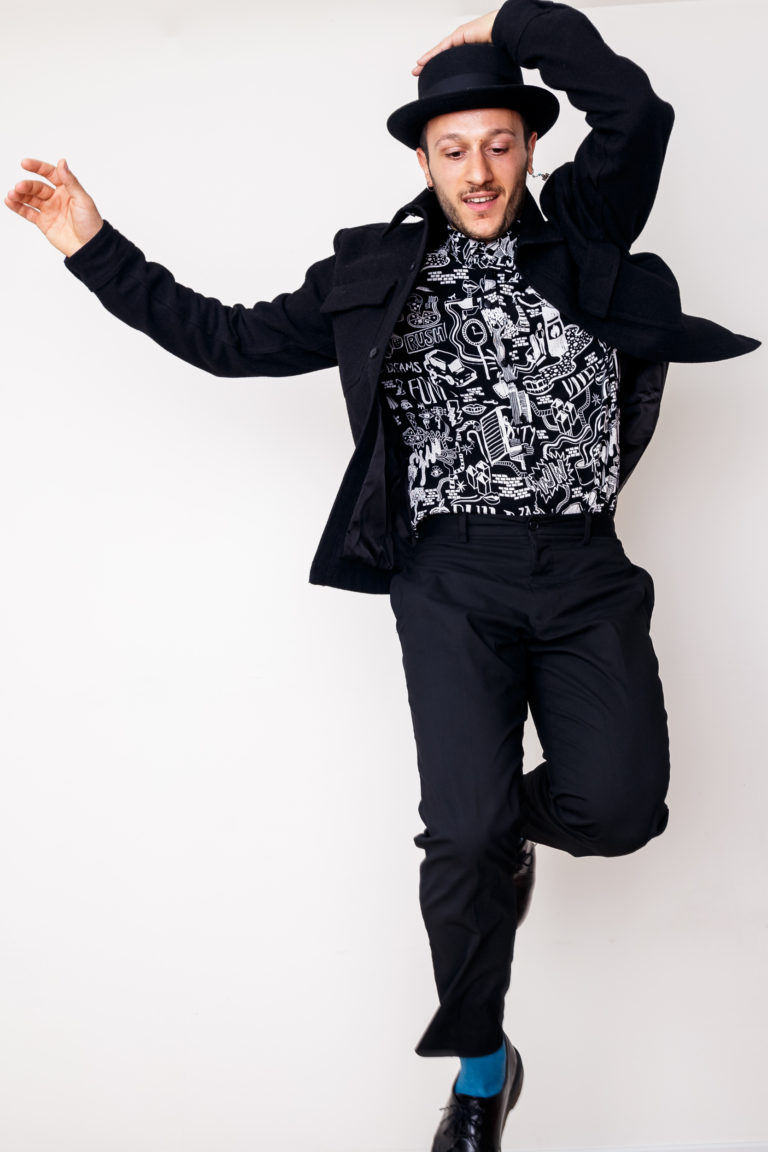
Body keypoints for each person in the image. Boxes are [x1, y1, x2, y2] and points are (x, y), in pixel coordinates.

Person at [5, 2, 760, 1150]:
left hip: (585, 569)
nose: (479, 171)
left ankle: (498, 831)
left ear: (530, 146)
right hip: (451, 576)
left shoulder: (587, 228)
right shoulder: (376, 273)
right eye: (454, 150)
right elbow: (228, 339)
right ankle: (482, 1073)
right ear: (424, 160)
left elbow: (637, 110)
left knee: (617, 811)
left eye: (499, 144)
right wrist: (89, 243)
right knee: (458, 838)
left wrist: (516, 20)